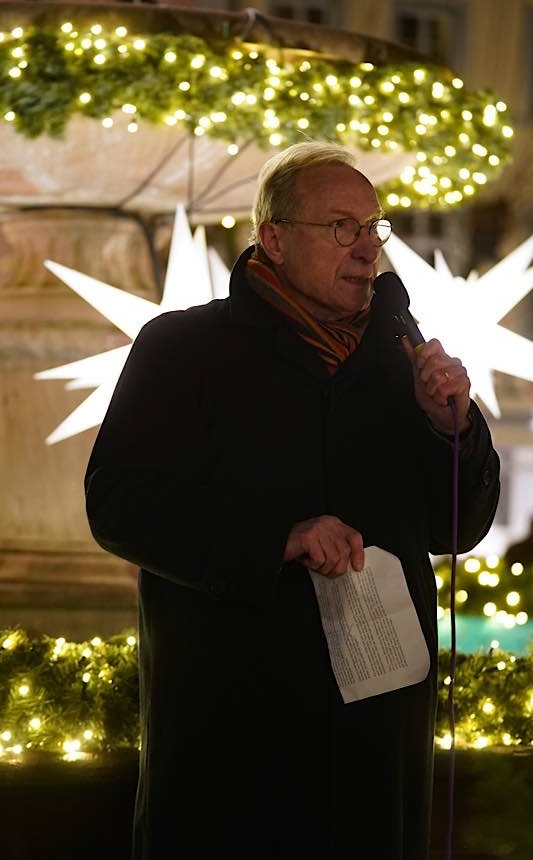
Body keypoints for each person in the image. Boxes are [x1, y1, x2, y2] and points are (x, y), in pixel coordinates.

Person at [84, 141, 500, 860]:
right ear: (271, 238)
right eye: (341, 226)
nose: (367, 247)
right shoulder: (183, 348)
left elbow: (458, 526)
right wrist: (277, 536)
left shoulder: (404, 360)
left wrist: (452, 429)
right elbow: (119, 504)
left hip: (377, 733)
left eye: (374, 227)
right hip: (234, 731)